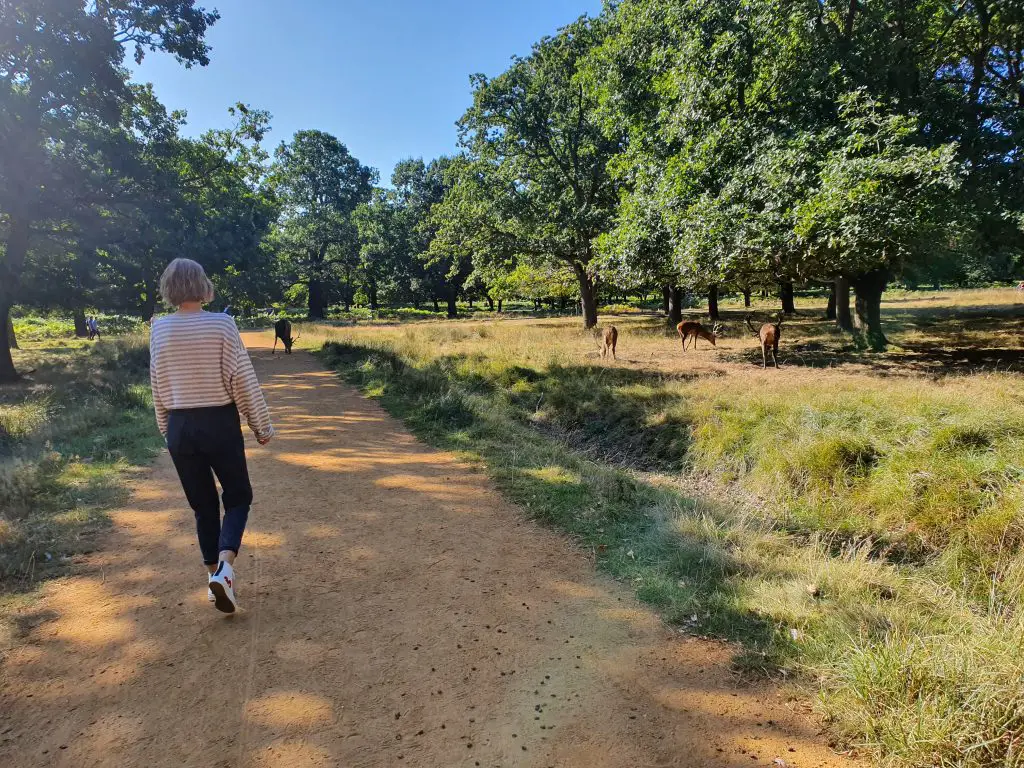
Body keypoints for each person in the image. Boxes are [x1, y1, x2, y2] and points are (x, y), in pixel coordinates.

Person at [149, 258, 274, 613]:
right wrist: (260, 425)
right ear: (204, 285)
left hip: (179, 426)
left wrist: (166, 430)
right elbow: (242, 380)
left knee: (202, 506)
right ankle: (225, 570)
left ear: (168, 289)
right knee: (237, 497)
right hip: (218, 422)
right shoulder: (222, 324)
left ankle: (213, 579)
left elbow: (157, 385)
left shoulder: (158, 328)